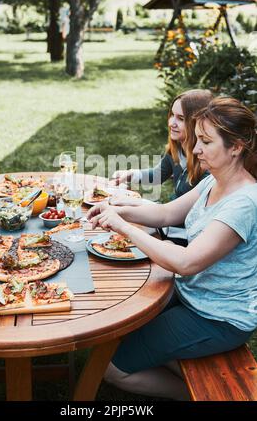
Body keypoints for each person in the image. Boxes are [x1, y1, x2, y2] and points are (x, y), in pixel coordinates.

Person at [87, 97, 257, 400]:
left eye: (206, 141)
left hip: (217, 317)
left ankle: (203, 396)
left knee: (110, 367)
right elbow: (166, 214)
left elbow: (187, 262)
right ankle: (186, 367)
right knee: (121, 323)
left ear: (236, 147)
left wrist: (123, 228)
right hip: (192, 294)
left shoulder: (243, 204)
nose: (195, 149)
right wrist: (115, 210)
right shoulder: (214, 181)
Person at [111, 89, 213, 246]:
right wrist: (132, 174)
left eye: (180, 118)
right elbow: (158, 175)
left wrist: (136, 203)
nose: (172, 123)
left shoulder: (208, 168)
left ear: (197, 124)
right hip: (167, 227)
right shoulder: (177, 149)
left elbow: (177, 213)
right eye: (172, 115)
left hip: (187, 236)